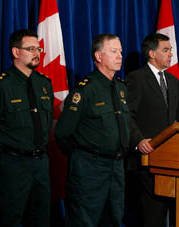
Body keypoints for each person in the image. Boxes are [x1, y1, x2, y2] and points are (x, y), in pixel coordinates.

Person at [0, 29, 54, 226]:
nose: (37, 53)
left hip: (41, 164)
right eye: (31, 49)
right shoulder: (0, 86)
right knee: (7, 219)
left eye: (38, 49)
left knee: (41, 219)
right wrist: (0, 161)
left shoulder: (44, 84)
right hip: (11, 166)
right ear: (16, 52)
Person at [55, 33, 130, 227]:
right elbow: (63, 132)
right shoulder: (84, 90)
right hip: (89, 169)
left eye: (120, 51)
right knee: (84, 221)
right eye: (114, 51)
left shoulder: (121, 88)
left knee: (114, 219)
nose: (120, 56)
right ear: (98, 56)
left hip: (116, 167)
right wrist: (85, 156)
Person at [125, 33, 179, 227]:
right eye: (166, 50)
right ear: (151, 53)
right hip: (147, 160)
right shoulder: (137, 78)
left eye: (171, 50)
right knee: (152, 217)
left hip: (172, 161)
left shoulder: (172, 81)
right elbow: (127, 115)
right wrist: (138, 141)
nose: (171, 54)